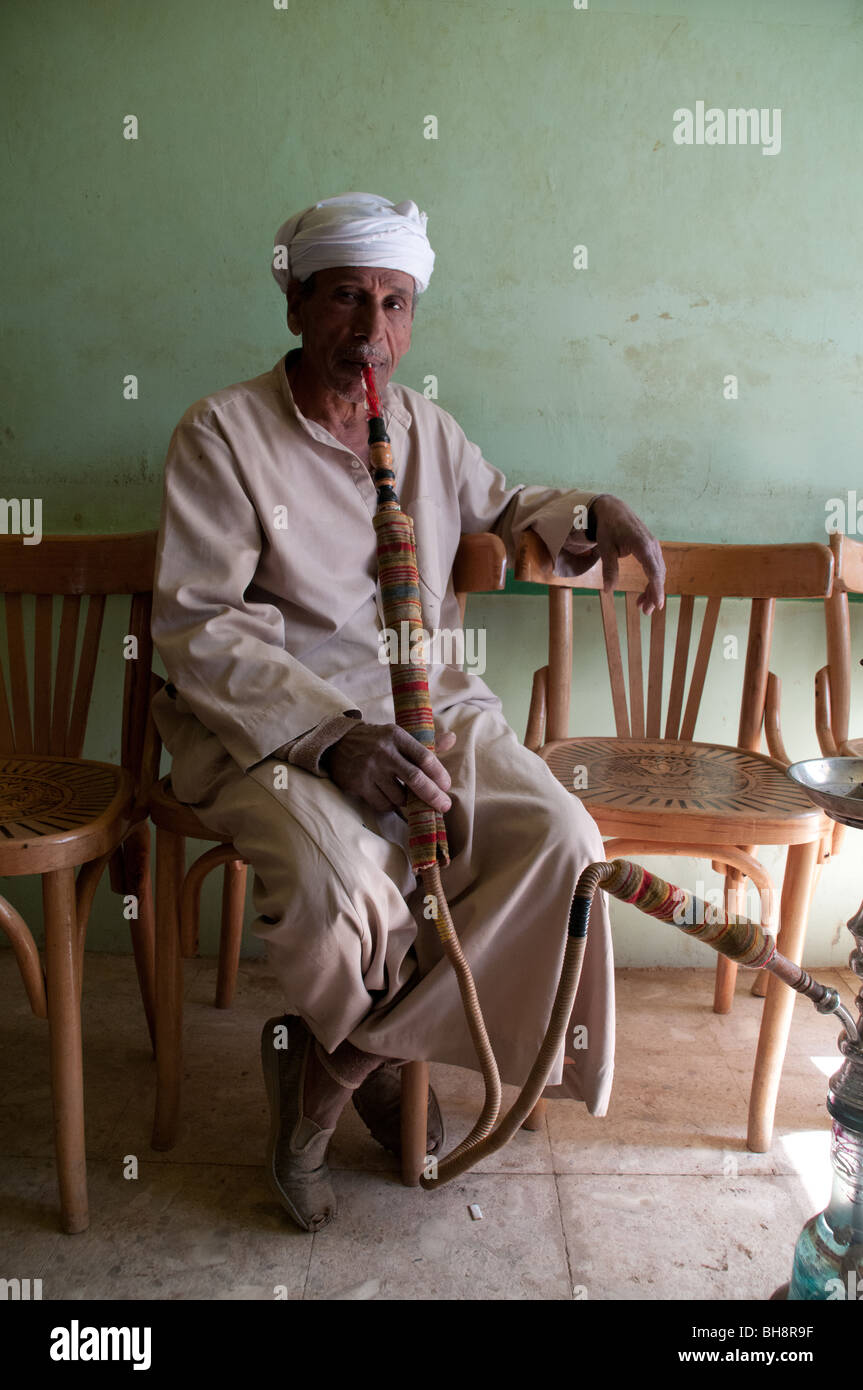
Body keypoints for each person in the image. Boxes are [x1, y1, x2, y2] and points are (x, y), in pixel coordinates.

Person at [150, 191, 665, 1233]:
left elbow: (508, 508)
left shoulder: (423, 426)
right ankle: (377, 1065)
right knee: (346, 891)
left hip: (429, 708)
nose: (371, 331)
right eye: (346, 299)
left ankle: (332, 1068)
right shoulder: (223, 432)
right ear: (296, 307)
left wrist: (588, 513)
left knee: (563, 841)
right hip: (273, 730)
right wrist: (334, 740)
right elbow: (198, 626)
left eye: (393, 304)